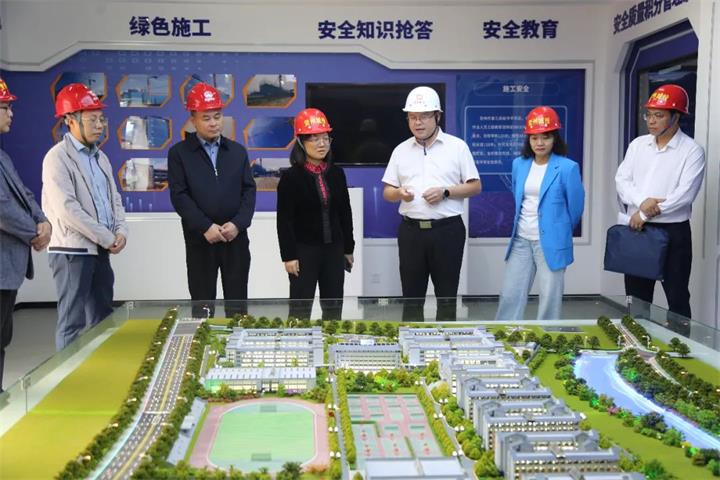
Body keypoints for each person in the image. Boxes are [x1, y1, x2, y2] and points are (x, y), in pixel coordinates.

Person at [382, 86, 481, 321]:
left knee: (446, 297)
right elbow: (387, 192)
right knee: (411, 298)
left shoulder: (457, 147)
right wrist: (399, 193)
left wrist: (446, 192)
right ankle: (410, 343)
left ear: (437, 116)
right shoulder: (400, 151)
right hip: (411, 233)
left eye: (425, 116)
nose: (418, 123)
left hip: (447, 231)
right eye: (412, 117)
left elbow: (475, 186)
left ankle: (444, 342)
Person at [42, 83, 128, 351]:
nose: (100, 125)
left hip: (100, 249)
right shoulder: (57, 158)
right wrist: (106, 237)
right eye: (92, 119)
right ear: (70, 120)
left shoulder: (101, 158)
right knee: (72, 322)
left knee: (103, 317)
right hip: (72, 252)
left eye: (102, 119)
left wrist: (121, 231)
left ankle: (99, 367)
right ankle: (68, 373)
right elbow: (68, 209)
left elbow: (114, 199)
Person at [615, 84, 705, 334]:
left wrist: (644, 213)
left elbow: (683, 195)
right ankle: (637, 343)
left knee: (677, 295)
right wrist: (643, 201)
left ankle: (681, 347)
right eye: (649, 115)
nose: (651, 121)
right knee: (637, 295)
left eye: (659, 115)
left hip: (672, 232)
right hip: (638, 231)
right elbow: (622, 180)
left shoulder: (692, 151)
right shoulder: (638, 145)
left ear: (676, 117)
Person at [168, 82, 256, 318]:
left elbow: (249, 192)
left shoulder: (237, 152)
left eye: (217, 116)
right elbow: (179, 195)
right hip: (200, 240)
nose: (214, 123)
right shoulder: (179, 154)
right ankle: (203, 339)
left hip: (234, 239)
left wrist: (237, 224)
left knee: (237, 305)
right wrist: (205, 226)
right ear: (193, 119)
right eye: (206, 118)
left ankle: (236, 340)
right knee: (202, 304)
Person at [495, 106, 585, 321]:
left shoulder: (567, 167)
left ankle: (548, 336)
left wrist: (557, 228)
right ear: (528, 139)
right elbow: (519, 197)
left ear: (555, 138)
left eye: (546, 137)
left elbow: (575, 208)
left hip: (551, 241)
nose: (540, 143)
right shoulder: (519, 164)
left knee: (549, 297)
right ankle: (504, 335)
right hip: (521, 239)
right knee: (510, 295)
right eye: (534, 138)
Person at [276, 108, 355, 320]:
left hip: (334, 249)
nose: (322, 144)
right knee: (300, 309)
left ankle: (332, 339)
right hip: (304, 251)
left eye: (325, 138)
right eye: (314, 139)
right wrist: (289, 256)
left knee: (333, 307)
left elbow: (345, 213)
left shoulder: (337, 173)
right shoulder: (291, 177)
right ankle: (297, 340)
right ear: (301, 142)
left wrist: (348, 248)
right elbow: (284, 221)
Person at [0, 79, 52, 390]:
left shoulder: (3, 157)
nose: (11, 113)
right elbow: (3, 209)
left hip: (8, 270)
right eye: (4, 107)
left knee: (2, 337)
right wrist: (35, 232)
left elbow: (24, 194)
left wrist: (42, 220)